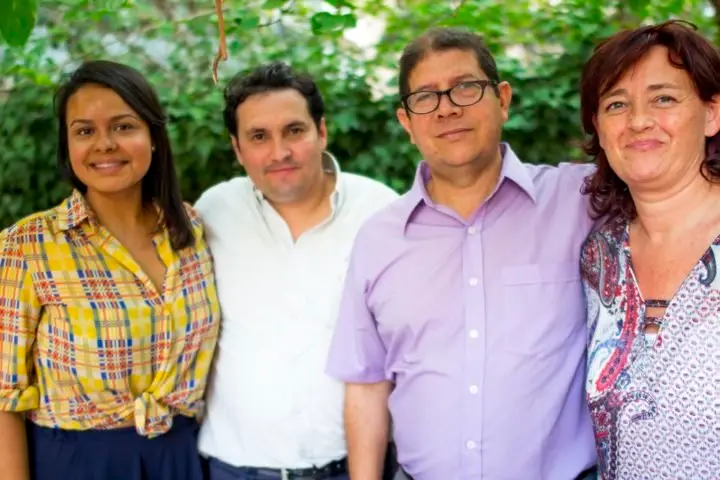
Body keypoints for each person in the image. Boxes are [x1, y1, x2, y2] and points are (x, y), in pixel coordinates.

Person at [325, 27, 599, 480]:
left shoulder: (579, 201)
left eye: (466, 87)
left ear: (503, 99)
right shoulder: (378, 238)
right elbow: (367, 385)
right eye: (425, 97)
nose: (447, 107)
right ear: (406, 122)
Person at [0, 60, 221, 480]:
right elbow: (3, 398)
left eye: (123, 126)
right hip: (77, 462)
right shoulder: (27, 246)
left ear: (153, 137)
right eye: (84, 131)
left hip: (184, 456)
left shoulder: (191, 232)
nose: (105, 144)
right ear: (67, 146)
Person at [194, 61, 399, 480]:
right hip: (234, 471)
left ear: (321, 132)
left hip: (352, 468)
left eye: (294, 130)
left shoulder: (380, 213)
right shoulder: (213, 212)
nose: (279, 152)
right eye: (258, 137)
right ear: (237, 149)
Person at [579, 20, 720, 479]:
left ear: (713, 113)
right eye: (617, 104)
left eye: (664, 98)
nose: (639, 121)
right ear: (600, 130)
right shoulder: (600, 258)